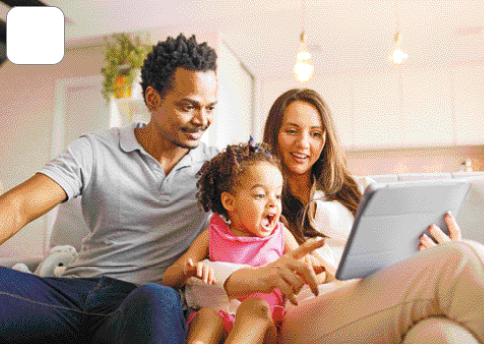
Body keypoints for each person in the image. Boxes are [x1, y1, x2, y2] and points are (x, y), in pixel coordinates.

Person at [211, 88, 484, 343]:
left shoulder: (358, 189)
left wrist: (431, 249)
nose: (303, 143)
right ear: (274, 135)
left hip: (377, 291)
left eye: (316, 133)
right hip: (307, 308)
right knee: (460, 258)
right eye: (292, 131)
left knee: (441, 335)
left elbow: (391, 253)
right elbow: (213, 268)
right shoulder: (256, 200)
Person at [0, 33, 220, 343]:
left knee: (159, 298)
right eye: (189, 107)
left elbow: (266, 210)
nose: (202, 120)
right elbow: (20, 205)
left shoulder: (217, 169)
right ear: (153, 99)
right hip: (72, 295)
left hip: (139, 304)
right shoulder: (96, 148)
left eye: (210, 108)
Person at [162, 139, 325, 344]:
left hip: (262, 326)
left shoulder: (280, 235)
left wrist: (311, 268)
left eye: (277, 195)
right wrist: (188, 271)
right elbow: (168, 278)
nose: (273, 203)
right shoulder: (212, 234)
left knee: (255, 306)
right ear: (229, 202)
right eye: (260, 195)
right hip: (220, 316)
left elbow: (313, 275)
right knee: (206, 315)